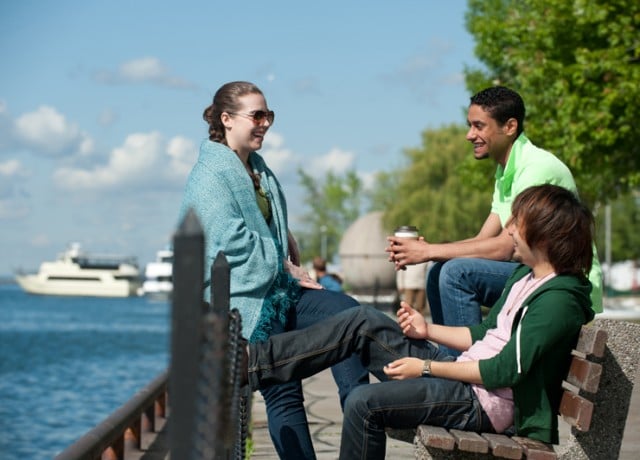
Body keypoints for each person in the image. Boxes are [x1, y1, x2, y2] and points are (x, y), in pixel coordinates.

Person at [246, 184, 595, 460]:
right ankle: (252, 365)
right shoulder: (526, 277)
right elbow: (483, 334)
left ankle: (249, 366)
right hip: (467, 380)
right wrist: (427, 331)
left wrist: (425, 367)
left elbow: (505, 370)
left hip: (487, 404)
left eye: (518, 223)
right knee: (361, 320)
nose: (509, 230)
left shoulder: (558, 300)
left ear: (545, 237)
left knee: (363, 402)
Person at [178, 81, 369, 459]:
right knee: (284, 391)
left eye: (269, 115)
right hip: (244, 302)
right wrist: (282, 263)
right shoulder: (209, 176)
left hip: (277, 292)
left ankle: (364, 418)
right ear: (227, 119)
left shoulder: (258, 169)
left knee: (351, 316)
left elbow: (269, 228)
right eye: (257, 115)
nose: (265, 123)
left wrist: (287, 250)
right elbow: (229, 242)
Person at [386, 86, 602, 354]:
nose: (469, 135)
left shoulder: (536, 168)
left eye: (479, 126)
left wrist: (428, 251)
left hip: (565, 282)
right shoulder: (505, 171)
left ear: (509, 126)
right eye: (469, 126)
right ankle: (450, 365)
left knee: (456, 272)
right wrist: (428, 251)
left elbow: (505, 247)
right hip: (536, 273)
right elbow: (482, 241)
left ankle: (466, 376)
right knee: (439, 271)